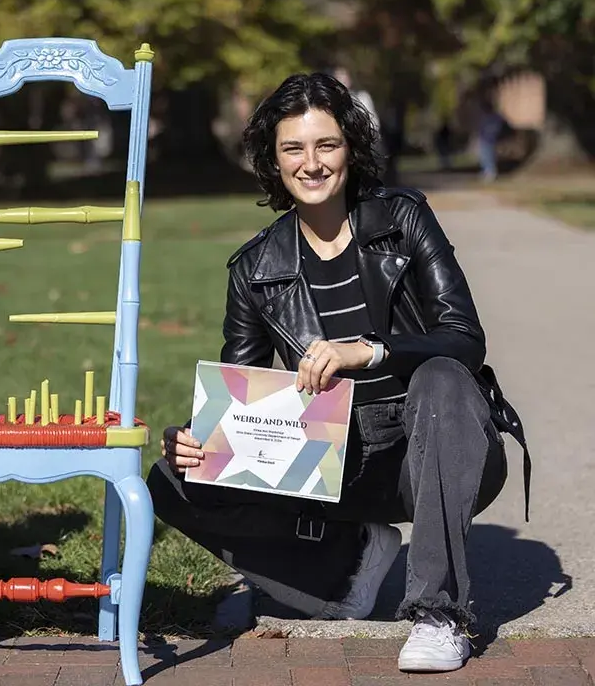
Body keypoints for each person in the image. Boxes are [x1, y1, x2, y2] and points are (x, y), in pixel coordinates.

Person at [147, 73, 528, 673]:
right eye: (293, 149)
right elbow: (240, 393)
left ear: (350, 146)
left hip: (434, 447)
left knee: (443, 376)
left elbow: (464, 340)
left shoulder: (405, 219)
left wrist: (369, 351)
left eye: (326, 145)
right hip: (336, 459)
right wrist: (199, 439)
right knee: (172, 480)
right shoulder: (254, 268)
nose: (312, 163)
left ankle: (439, 614)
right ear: (273, 162)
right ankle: (346, 566)